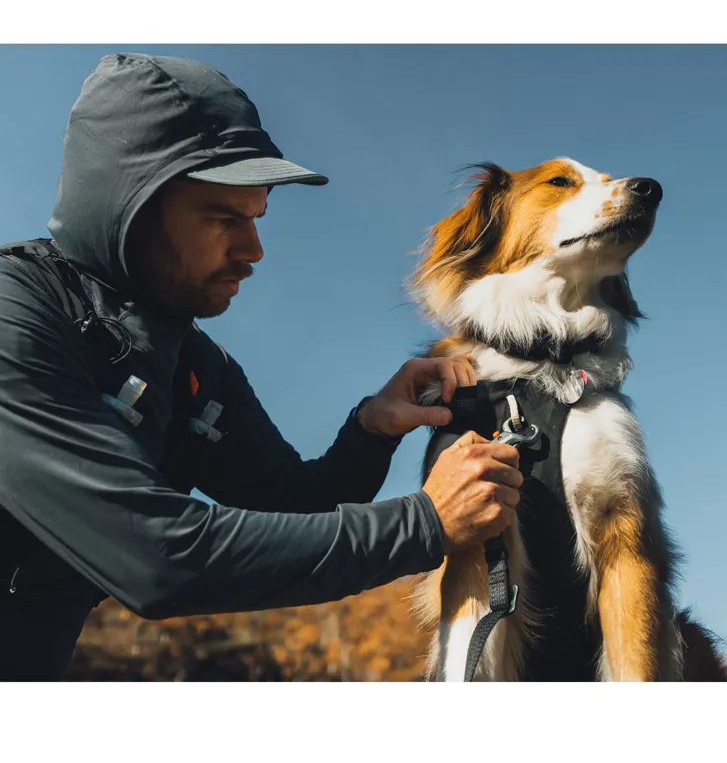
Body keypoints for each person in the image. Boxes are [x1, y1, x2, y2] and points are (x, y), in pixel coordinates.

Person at [0, 53, 523, 681]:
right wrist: (425, 523)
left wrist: (370, 431)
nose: (253, 251)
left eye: (255, 219)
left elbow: (293, 510)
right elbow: (155, 556)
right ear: (128, 208)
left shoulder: (197, 368)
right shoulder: (18, 312)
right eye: (223, 219)